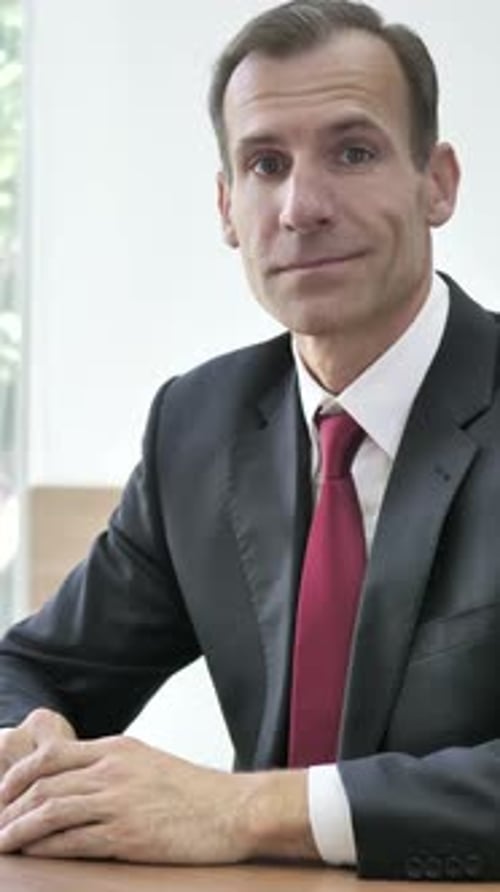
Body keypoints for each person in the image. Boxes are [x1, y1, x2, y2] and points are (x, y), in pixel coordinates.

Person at [0, 0, 498, 881]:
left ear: (439, 182)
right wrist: (25, 742)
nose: (302, 207)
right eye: (267, 164)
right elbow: (37, 668)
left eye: (353, 152)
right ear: (229, 206)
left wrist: (244, 808)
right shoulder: (199, 423)